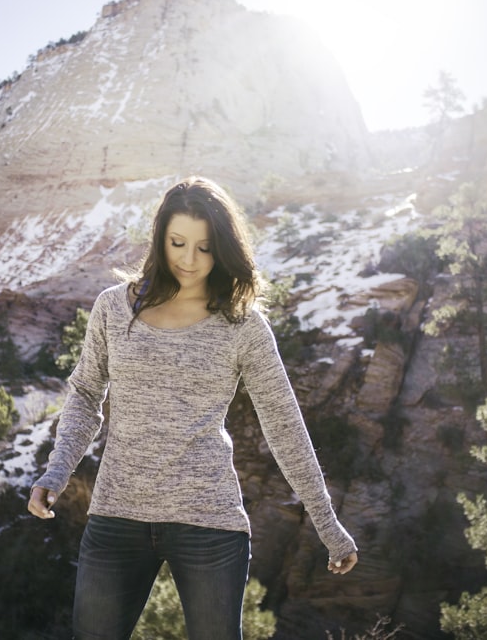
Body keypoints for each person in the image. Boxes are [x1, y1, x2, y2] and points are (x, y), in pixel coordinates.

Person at [28, 176, 358, 639]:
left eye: (204, 248)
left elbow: (284, 425)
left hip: (210, 524)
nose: (188, 259)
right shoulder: (113, 309)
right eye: (177, 243)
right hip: (117, 516)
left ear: (222, 249)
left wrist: (327, 522)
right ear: (159, 238)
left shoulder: (243, 324)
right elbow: (85, 395)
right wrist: (57, 471)